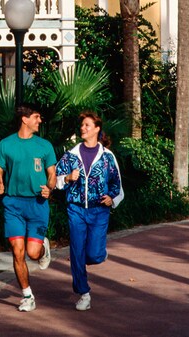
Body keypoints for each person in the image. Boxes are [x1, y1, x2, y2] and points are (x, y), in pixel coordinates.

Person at [56, 111, 124, 311]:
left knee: (93, 255)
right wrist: (68, 177)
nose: (83, 128)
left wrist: (112, 198)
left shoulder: (107, 157)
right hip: (76, 209)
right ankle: (83, 293)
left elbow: (117, 184)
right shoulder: (71, 155)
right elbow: (56, 180)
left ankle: (98, 254)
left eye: (87, 125)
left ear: (96, 129)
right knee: (77, 251)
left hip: (99, 210)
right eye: (82, 125)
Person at [0, 104, 57, 312]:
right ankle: (27, 295)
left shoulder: (45, 146)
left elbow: (52, 174)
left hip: (37, 204)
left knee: (32, 252)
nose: (40, 121)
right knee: (17, 251)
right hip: (13, 204)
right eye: (37, 117)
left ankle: (43, 248)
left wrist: (50, 188)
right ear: (25, 119)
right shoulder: (5, 145)